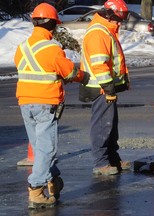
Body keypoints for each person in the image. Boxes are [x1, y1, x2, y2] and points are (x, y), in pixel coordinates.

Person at [14, 3, 90, 209]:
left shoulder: (22, 48)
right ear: (52, 24)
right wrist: (84, 77)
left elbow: (35, 70)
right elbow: (69, 73)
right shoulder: (52, 48)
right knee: (47, 149)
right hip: (45, 103)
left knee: (39, 147)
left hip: (25, 102)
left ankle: (52, 180)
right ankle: (36, 189)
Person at [79, 0, 131, 175]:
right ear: (108, 15)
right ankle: (101, 163)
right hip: (101, 88)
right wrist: (108, 88)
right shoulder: (98, 33)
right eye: (118, 19)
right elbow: (100, 64)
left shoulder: (105, 30)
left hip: (106, 87)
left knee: (111, 124)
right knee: (103, 124)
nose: (120, 23)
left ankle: (112, 157)